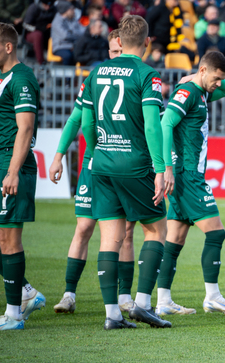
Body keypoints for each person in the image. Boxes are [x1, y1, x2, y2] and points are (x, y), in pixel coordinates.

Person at [80, 15, 174, 330]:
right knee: (157, 229)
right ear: (147, 42)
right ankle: (144, 305)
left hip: (102, 164)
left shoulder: (95, 72)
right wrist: (160, 168)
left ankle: (111, 315)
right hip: (133, 164)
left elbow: (86, 123)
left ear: (118, 41)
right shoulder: (148, 75)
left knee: (110, 238)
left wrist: (95, 152)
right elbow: (151, 124)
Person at [49, 30, 140, 315]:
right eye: (113, 52)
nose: (116, 57)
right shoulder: (96, 77)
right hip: (94, 164)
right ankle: (69, 293)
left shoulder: (136, 77)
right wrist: (58, 156)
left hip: (122, 164)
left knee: (126, 232)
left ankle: (124, 297)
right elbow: (76, 119)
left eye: (119, 52)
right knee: (84, 227)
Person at [159, 52, 225, 315]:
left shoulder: (202, 90)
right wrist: (167, 169)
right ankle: (212, 296)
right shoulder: (189, 93)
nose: (219, 84)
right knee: (216, 233)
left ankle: (162, 301)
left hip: (187, 174)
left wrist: (202, 78)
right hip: (186, 175)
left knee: (175, 239)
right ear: (204, 70)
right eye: (216, 78)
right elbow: (165, 124)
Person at [0, 23, 45, 330]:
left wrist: (12, 171)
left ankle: (14, 314)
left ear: (8, 47)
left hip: (12, 167)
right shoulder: (1, 78)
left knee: (8, 238)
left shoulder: (22, 78)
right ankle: (25, 292)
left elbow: (25, 128)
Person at [51, 1, 86, 65]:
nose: (74, 11)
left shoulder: (73, 20)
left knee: (82, 54)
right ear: (65, 10)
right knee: (68, 56)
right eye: (72, 9)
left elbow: (84, 32)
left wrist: (72, 32)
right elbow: (65, 36)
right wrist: (77, 34)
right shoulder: (57, 22)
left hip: (73, 46)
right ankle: (67, 74)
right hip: (61, 47)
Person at [23, 0, 56, 65]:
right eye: (45, 5)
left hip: (48, 32)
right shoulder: (33, 8)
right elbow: (25, 25)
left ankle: (56, 61)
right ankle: (41, 62)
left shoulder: (54, 9)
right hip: (32, 32)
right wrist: (39, 28)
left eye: (50, 5)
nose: (48, 7)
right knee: (38, 35)